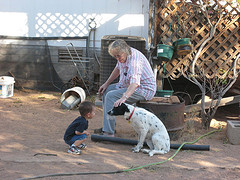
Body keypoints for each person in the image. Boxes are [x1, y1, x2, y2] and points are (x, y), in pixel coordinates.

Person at [95, 39, 156, 137]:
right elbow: (117, 69)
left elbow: (135, 83)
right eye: (115, 56)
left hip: (144, 89)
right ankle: (109, 126)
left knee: (111, 96)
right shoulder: (123, 55)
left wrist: (124, 97)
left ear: (125, 51)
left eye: (119, 56)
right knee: (107, 91)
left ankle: (108, 133)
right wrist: (106, 83)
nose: (117, 58)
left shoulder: (134, 60)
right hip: (129, 85)